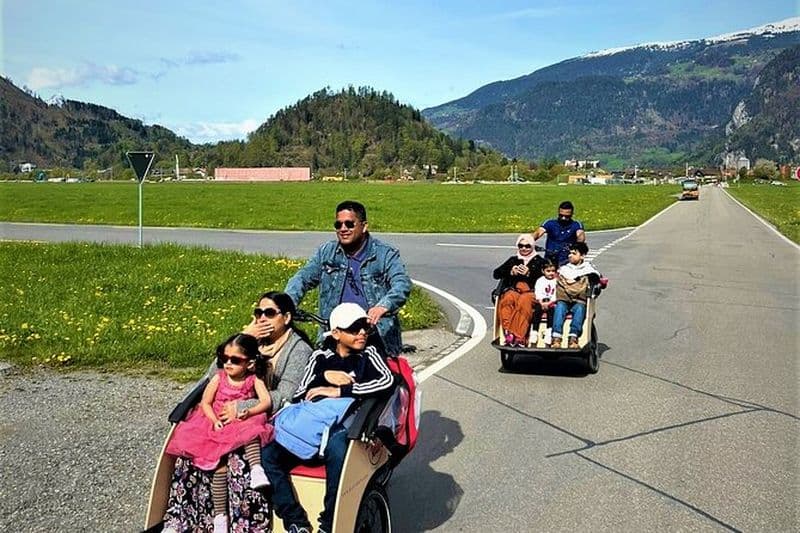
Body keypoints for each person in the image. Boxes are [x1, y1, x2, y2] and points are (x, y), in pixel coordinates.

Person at [162, 293, 314, 532]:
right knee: (191, 455)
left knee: (238, 461)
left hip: (263, 416)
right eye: (258, 313)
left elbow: (287, 394)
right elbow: (214, 377)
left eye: (269, 313)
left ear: (286, 318)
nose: (262, 318)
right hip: (224, 416)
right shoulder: (249, 343)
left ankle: (243, 526)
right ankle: (185, 521)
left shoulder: (298, 349)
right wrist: (245, 336)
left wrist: (242, 408)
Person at [262, 303, 394, 533]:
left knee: (337, 450)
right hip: (311, 424)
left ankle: (330, 522)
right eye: (354, 328)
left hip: (346, 423)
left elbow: (386, 381)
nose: (362, 333)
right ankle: (295, 521)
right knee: (267, 454)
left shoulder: (368, 354)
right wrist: (325, 376)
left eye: (365, 327)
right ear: (336, 333)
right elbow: (301, 391)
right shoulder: (319, 357)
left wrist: (342, 391)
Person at [165, 333, 274, 533]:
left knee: (253, 428)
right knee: (218, 468)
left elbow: (266, 401)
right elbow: (205, 402)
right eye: (224, 359)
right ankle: (219, 517)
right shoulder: (219, 377)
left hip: (239, 422)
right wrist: (214, 420)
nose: (228, 363)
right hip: (213, 423)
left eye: (235, 360)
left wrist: (249, 411)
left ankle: (256, 468)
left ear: (249, 363)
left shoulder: (253, 380)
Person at [285, 200, 412, 356]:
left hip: (374, 335)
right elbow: (303, 277)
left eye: (349, 224)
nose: (343, 229)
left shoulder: (385, 254)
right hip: (336, 337)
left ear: (364, 226)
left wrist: (382, 307)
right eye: (338, 225)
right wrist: (286, 304)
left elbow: (402, 284)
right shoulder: (327, 252)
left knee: (382, 377)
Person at [493, 234, 546, 346]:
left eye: (527, 246)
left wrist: (529, 274)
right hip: (515, 290)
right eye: (521, 246)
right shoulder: (513, 260)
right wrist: (510, 271)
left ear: (532, 247)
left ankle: (519, 336)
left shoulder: (540, 261)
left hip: (533, 292)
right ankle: (508, 333)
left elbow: (546, 278)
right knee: (507, 298)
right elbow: (496, 273)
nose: (524, 248)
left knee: (524, 300)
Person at [551, 242, 600, 349]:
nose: (570, 255)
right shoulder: (564, 268)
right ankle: (556, 337)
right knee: (559, 308)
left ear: (582, 256)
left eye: (574, 253)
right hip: (564, 298)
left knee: (580, 309)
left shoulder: (588, 268)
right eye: (570, 253)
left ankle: (573, 337)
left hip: (579, 299)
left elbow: (597, 278)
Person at [531, 200, 586, 266]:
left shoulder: (576, 225)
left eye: (567, 216)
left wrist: (577, 246)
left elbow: (580, 235)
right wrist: (529, 242)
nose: (563, 218)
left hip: (568, 261)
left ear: (572, 214)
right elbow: (538, 233)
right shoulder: (550, 223)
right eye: (561, 215)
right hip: (550, 260)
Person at [532, 259, 558, 346]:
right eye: (548, 271)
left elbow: (557, 293)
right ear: (543, 271)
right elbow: (537, 292)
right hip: (541, 301)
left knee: (552, 312)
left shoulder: (557, 281)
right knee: (537, 312)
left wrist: (550, 302)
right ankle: (534, 331)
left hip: (552, 302)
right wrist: (541, 302)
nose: (551, 273)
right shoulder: (540, 280)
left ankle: (549, 331)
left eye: (553, 271)